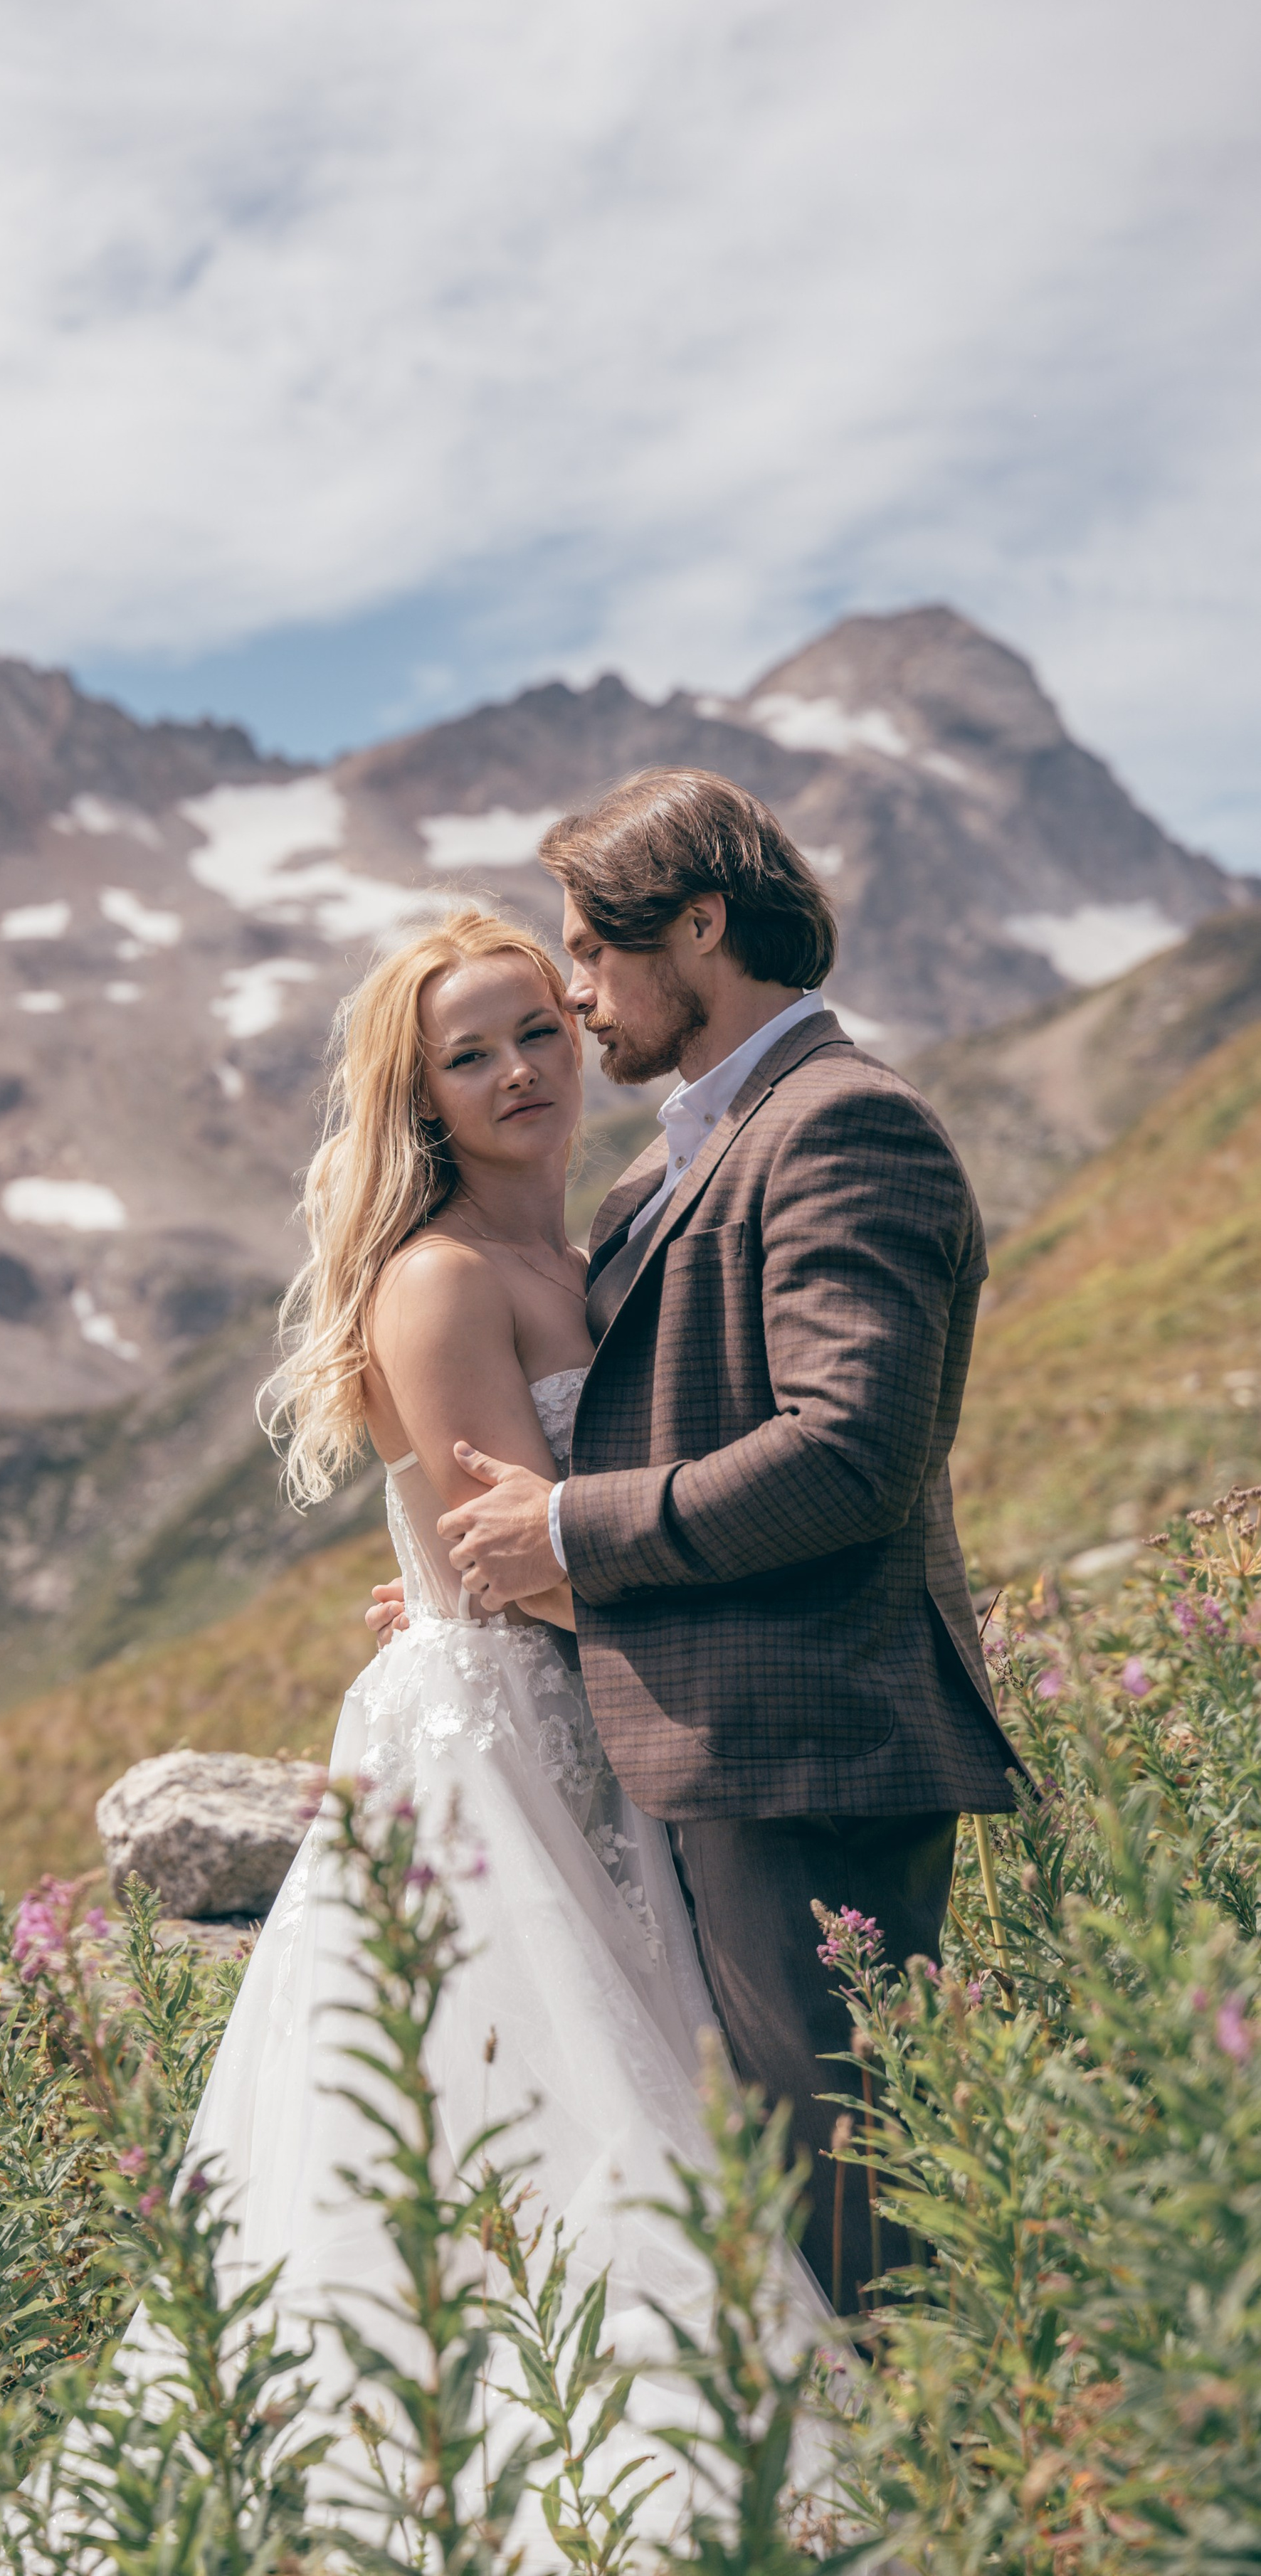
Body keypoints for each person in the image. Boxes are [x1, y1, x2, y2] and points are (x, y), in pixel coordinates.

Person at [109, 902, 825, 2548]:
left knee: (646, 2089)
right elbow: (517, 1574)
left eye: (536, 1031)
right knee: (530, 2107)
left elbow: (557, 1525)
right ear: (418, 1100)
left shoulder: (592, 1249)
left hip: (607, 1720)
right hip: (501, 1746)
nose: (517, 1071)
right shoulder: (436, 1284)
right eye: (468, 1053)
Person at [370, 770, 1023, 2309]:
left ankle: (936, 2504)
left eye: (586, 965)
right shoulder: (665, 1166)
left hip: (809, 1736)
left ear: (702, 929)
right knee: (796, 2199)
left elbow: (847, 1453)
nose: (576, 1007)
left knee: (857, 2221)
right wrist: (462, 1583)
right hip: (713, 1742)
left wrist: (565, 1535)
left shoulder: (844, 1123)